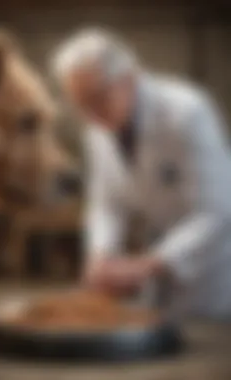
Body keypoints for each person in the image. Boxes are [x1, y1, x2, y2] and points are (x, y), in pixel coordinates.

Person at [51, 28, 231, 319]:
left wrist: (145, 266)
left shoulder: (187, 112)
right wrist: (101, 256)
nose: (89, 114)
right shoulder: (98, 128)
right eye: (79, 104)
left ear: (128, 79)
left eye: (97, 98)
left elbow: (218, 212)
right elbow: (107, 204)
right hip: (162, 268)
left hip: (215, 273)